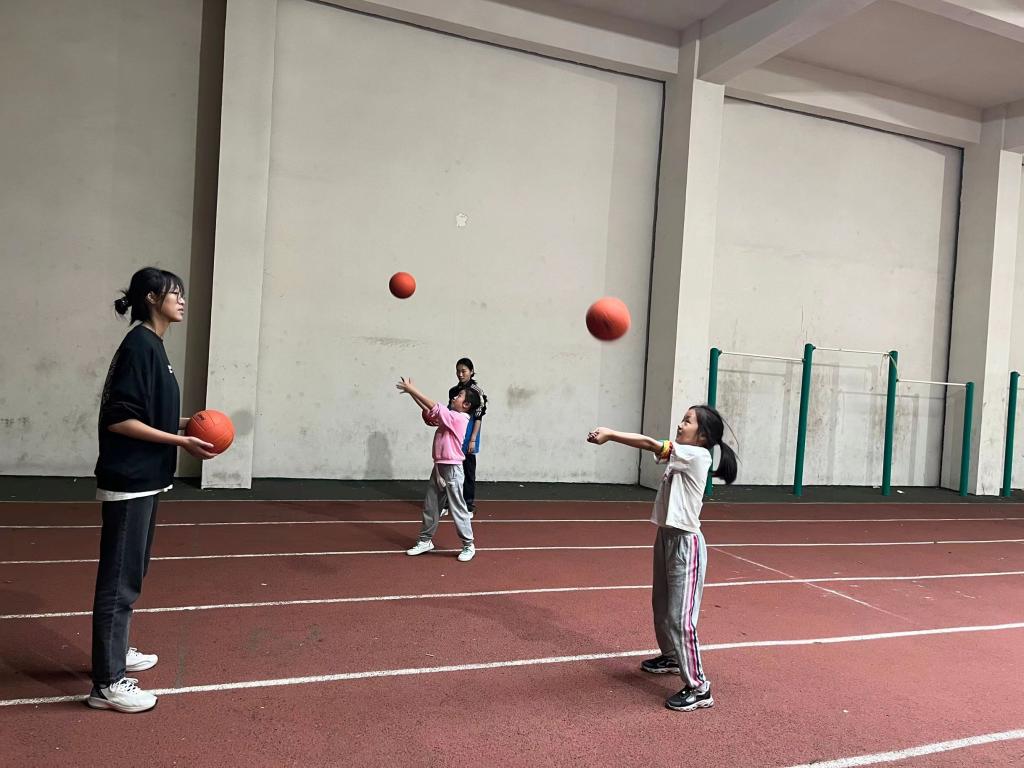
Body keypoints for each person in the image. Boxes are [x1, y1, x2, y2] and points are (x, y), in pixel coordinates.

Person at [88, 267, 216, 714]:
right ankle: (106, 684)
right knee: (119, 581)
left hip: (147, 478)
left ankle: (115, 650)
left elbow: (149, 415)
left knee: (133, 571)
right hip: (129, 480)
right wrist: (181, 443)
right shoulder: (139, 346)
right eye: (173, 293)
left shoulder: (154, 346)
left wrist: (190, 425)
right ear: (151, 298)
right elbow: (119, 420)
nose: (181, 299)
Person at [587, 405, 737, 712]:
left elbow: (649, 444)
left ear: (703, 435)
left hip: (686, 544)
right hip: (666, 537)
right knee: (662, 607)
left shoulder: (697, 455)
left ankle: (699, 687)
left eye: (687, 421)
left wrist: (611, 434)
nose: (680, 425)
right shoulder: (683, 454)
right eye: (682, 419)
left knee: (681, 619)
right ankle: (671, 657)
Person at [397, 376, 481, 562]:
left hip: (453, 469)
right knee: (431, 506)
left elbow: (435, 406)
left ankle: (468, 545)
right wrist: (411, 394)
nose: (454, 397)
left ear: (466, 405)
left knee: (458, 509)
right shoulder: (449, 417)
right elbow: (430, 411)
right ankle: (425, 540)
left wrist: (413, 390)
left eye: (459, 396)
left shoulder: (459, 419)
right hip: (439, 467)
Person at [447, 358, 487, 514]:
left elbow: (478, 417)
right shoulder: (453, 391)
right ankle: (448, 503)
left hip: (469, 436)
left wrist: (473, 439)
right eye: (458, 371)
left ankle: (468, 505)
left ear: (471, 371)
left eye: (463, 371)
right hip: (454, 436)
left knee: (468, 471)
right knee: (450, 470)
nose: (460, 374)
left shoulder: (477, 392)